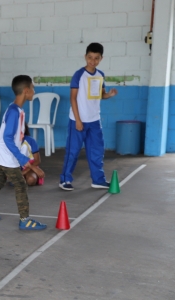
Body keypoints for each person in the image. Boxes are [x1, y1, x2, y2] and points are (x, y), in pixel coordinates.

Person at [0, 75, 47, 230]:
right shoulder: (15, 111)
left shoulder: (15, 109)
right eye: (33, 88)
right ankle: (25, 220)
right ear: (26, 91)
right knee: (21, 185)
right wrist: (23, 160)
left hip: (2, 154)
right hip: (7, 156)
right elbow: (8, 138)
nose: (34, 91)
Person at [59, 42, 118, 191]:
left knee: (97, 150)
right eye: (90, 57)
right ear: (85, 57)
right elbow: (73, 98)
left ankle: (98, 180)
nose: (93, 61)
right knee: (73, 151)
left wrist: (109, 95)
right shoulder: (79, 75)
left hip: (94, 120)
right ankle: (65, 179)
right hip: (77, 120)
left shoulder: (100, 75)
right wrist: (78, 120)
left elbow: (100, 95)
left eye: (96, 58)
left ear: (101, 59)